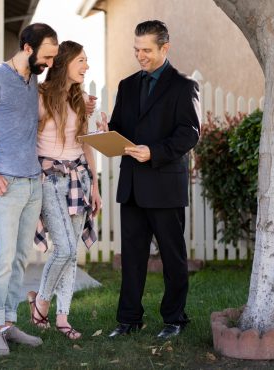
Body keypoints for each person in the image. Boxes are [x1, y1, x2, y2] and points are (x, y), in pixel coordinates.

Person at [0, 41, 101, 340]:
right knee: (63, 248)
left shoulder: (79, 99)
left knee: (71, 251)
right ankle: (40, 303)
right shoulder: (38, 96)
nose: (87, 66)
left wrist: (96, 186)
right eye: (82, 60)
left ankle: (63, 316)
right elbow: (15, 128)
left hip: (79, 177)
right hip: (49, 179)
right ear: (65, 63)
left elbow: (85, 142)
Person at [98, 20, 201, 339]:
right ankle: (128, 319)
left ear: (164, 48)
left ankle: (174, 318)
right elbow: (122, 128)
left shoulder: (184, 86)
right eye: (136, 49)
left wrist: (153, 152)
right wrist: (108, 133)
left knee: (173, 257)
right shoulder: (127, 85)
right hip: (131, 187)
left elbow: (190, 133)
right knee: (131, 257)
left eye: (146, 50)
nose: (139, 56)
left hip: (164, 185)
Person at [0, 23, 60, 357]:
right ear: (27, 47)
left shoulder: (33, 80)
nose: (49, 63)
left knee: (20, 259)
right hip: (2, 183)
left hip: (32, 182)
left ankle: (7, 322)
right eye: (46, 56)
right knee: (2, 260)